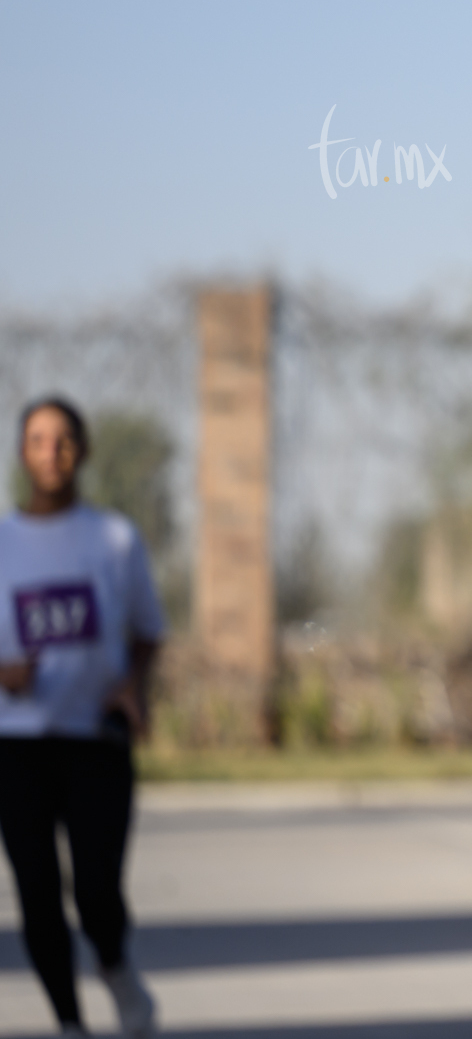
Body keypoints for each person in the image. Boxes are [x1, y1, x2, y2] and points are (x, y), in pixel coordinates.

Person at [0, 398, 163, 1037]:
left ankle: (120, 974)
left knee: (96, 893)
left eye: (64, 439)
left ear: (84, 450)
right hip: (17, 743)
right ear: (22, 452)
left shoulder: (115, 538)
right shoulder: (3, 542)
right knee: (37, 891)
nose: (51, 452)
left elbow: (149, 631)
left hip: (96, 738)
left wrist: (132, 682)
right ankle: (69, 1022)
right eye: (38, 439)